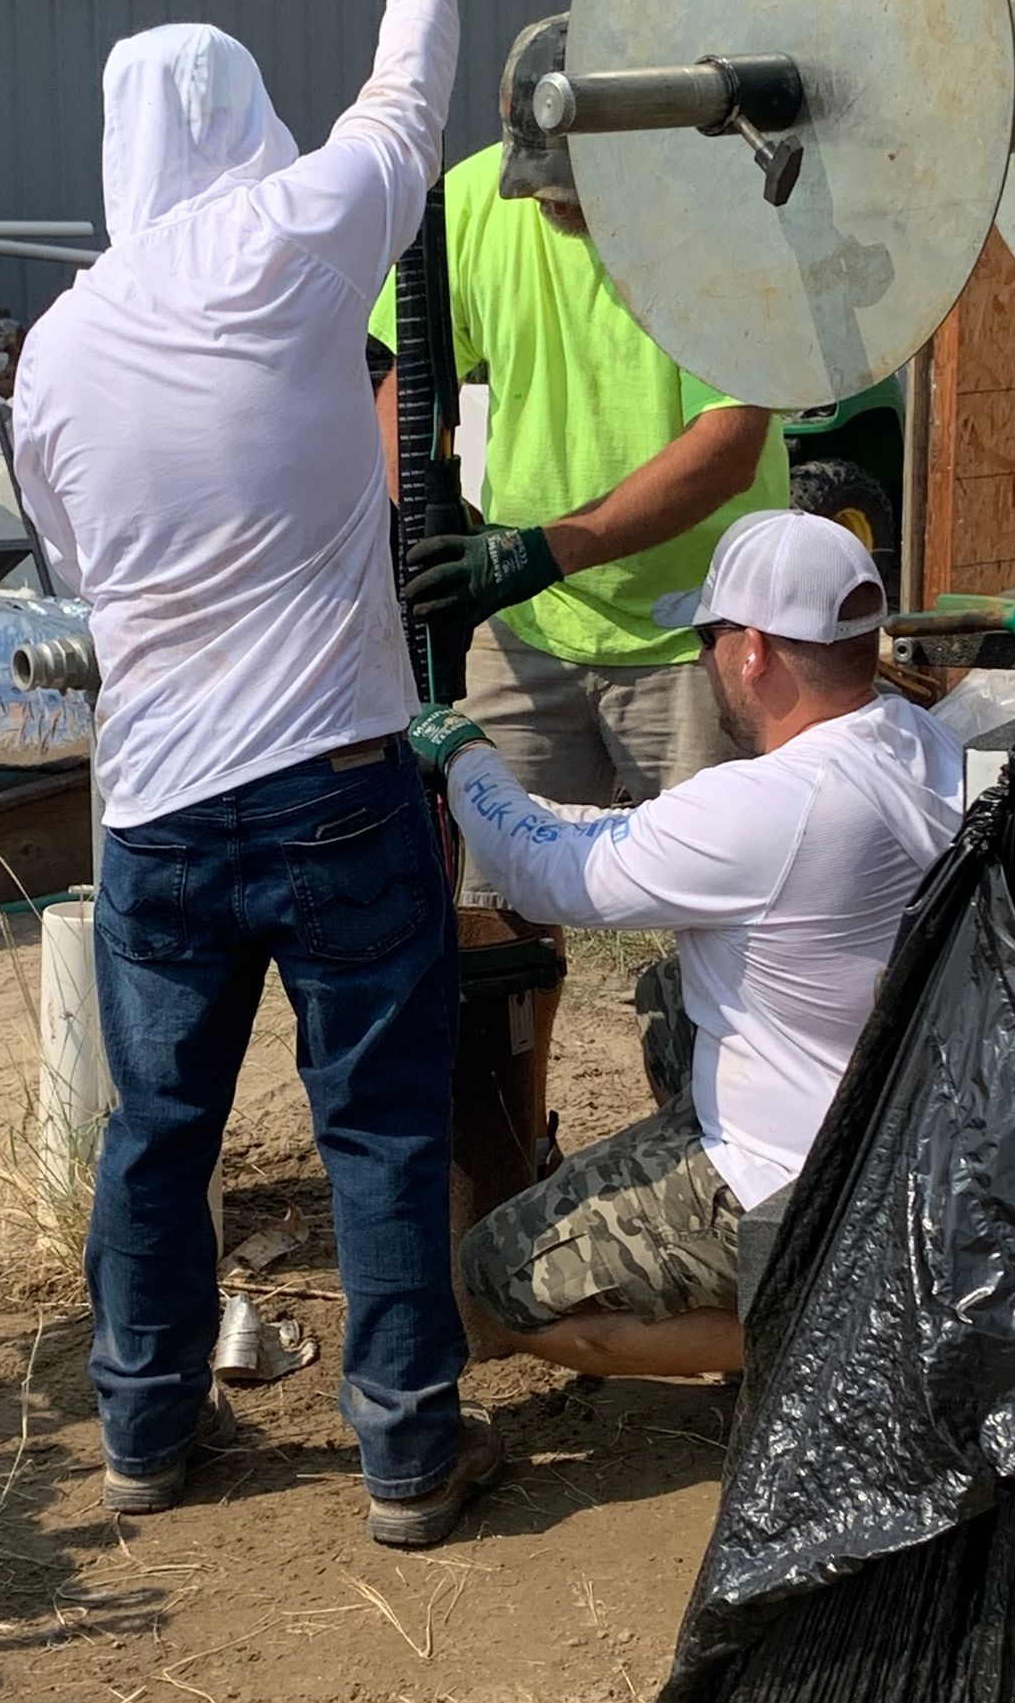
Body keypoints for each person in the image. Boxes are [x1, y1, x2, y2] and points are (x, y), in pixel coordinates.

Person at [11, 0, 502, 1549]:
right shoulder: (295, 241)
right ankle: (407, 1457)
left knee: (158, 1132)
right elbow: (410, 92)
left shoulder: (55, 348)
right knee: (377, 1120)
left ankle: (146, 1432)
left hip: (155, 804)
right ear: (238, 125)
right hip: (335, 781)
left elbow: (80, 560)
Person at [408, 511, 964, 1381]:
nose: (705, 665)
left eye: (708, 641)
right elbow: (628, 841)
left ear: (753, 652)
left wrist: (464, 754)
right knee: (674, 996)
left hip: (809, 1177)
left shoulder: (775, 802)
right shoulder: (916, 738)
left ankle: (839, 1337)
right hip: (907, 1136)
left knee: (493, 1278)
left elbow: (543, 876)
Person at [370, 14, 790, 899]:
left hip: (695, 633)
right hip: (527, 632)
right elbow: (407, 374)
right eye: (542, 187)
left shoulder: (711, 223)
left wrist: (540, 550)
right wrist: (426, 505)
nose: (554, 206)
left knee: (718, 903)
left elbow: (728, 448)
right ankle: (513, 1039)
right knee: (498, 904)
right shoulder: (474, 201)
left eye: (575, 191)